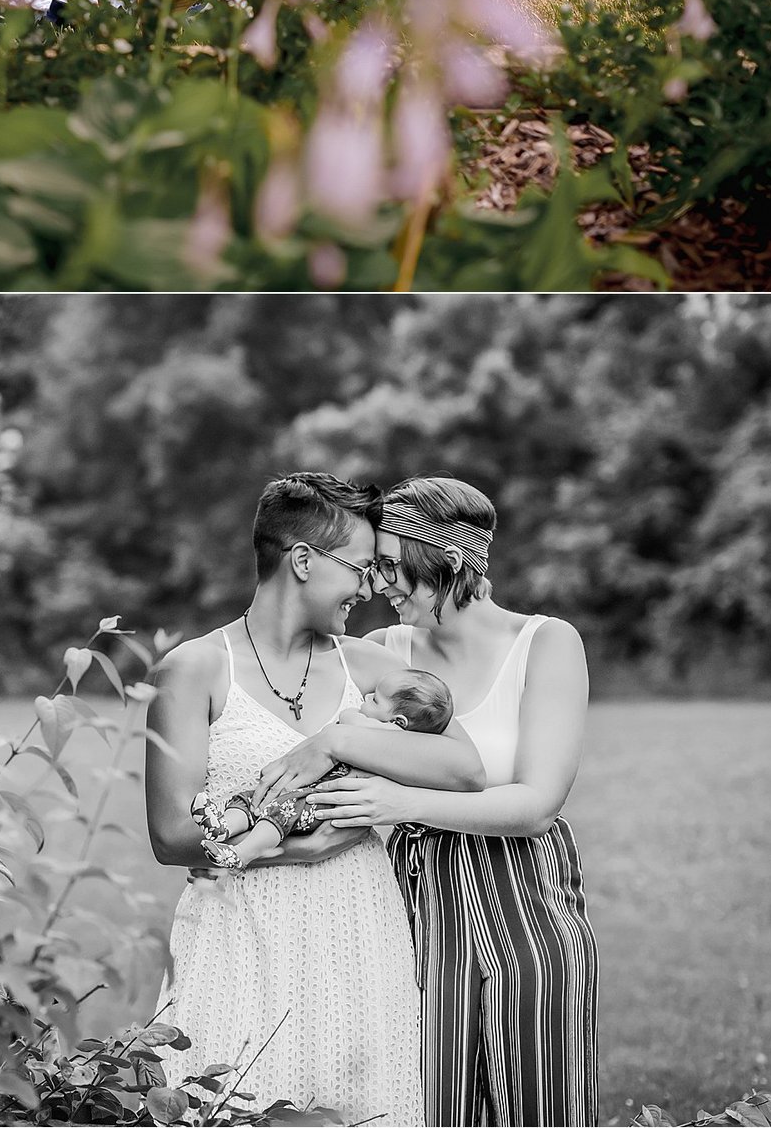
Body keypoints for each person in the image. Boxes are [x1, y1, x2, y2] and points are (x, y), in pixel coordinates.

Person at [253, 476, 600, 1126]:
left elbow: (536, 805)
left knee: (541, 1103)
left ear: (450, 561)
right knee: (430, 1107)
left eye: (392, 567)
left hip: (526, 905)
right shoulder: (387, 653)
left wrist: (396, 802)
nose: (377, 584)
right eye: (373, 565)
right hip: (414, 911)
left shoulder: (546, 644)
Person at [145, 472, 486, 1122]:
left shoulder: (373, 670)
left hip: (359, 937)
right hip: (238, 941)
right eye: (359, 567)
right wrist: (306, 848)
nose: (369, 587)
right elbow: (169, 834)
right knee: (227, 1106)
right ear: (303, 560)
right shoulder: (193, 670)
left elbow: (463, 768)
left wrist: (335, 743)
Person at [192, 667, 453, 868]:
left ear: (397, 722)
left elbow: (348, 717)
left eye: (376, 701)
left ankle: (242, 854)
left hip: (319, 802)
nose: (367, 696)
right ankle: (222, 826)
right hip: (302, 792)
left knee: (279, 815)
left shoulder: (388, 741)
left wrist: (380, 731)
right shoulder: (395, 745)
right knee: (252, 800)